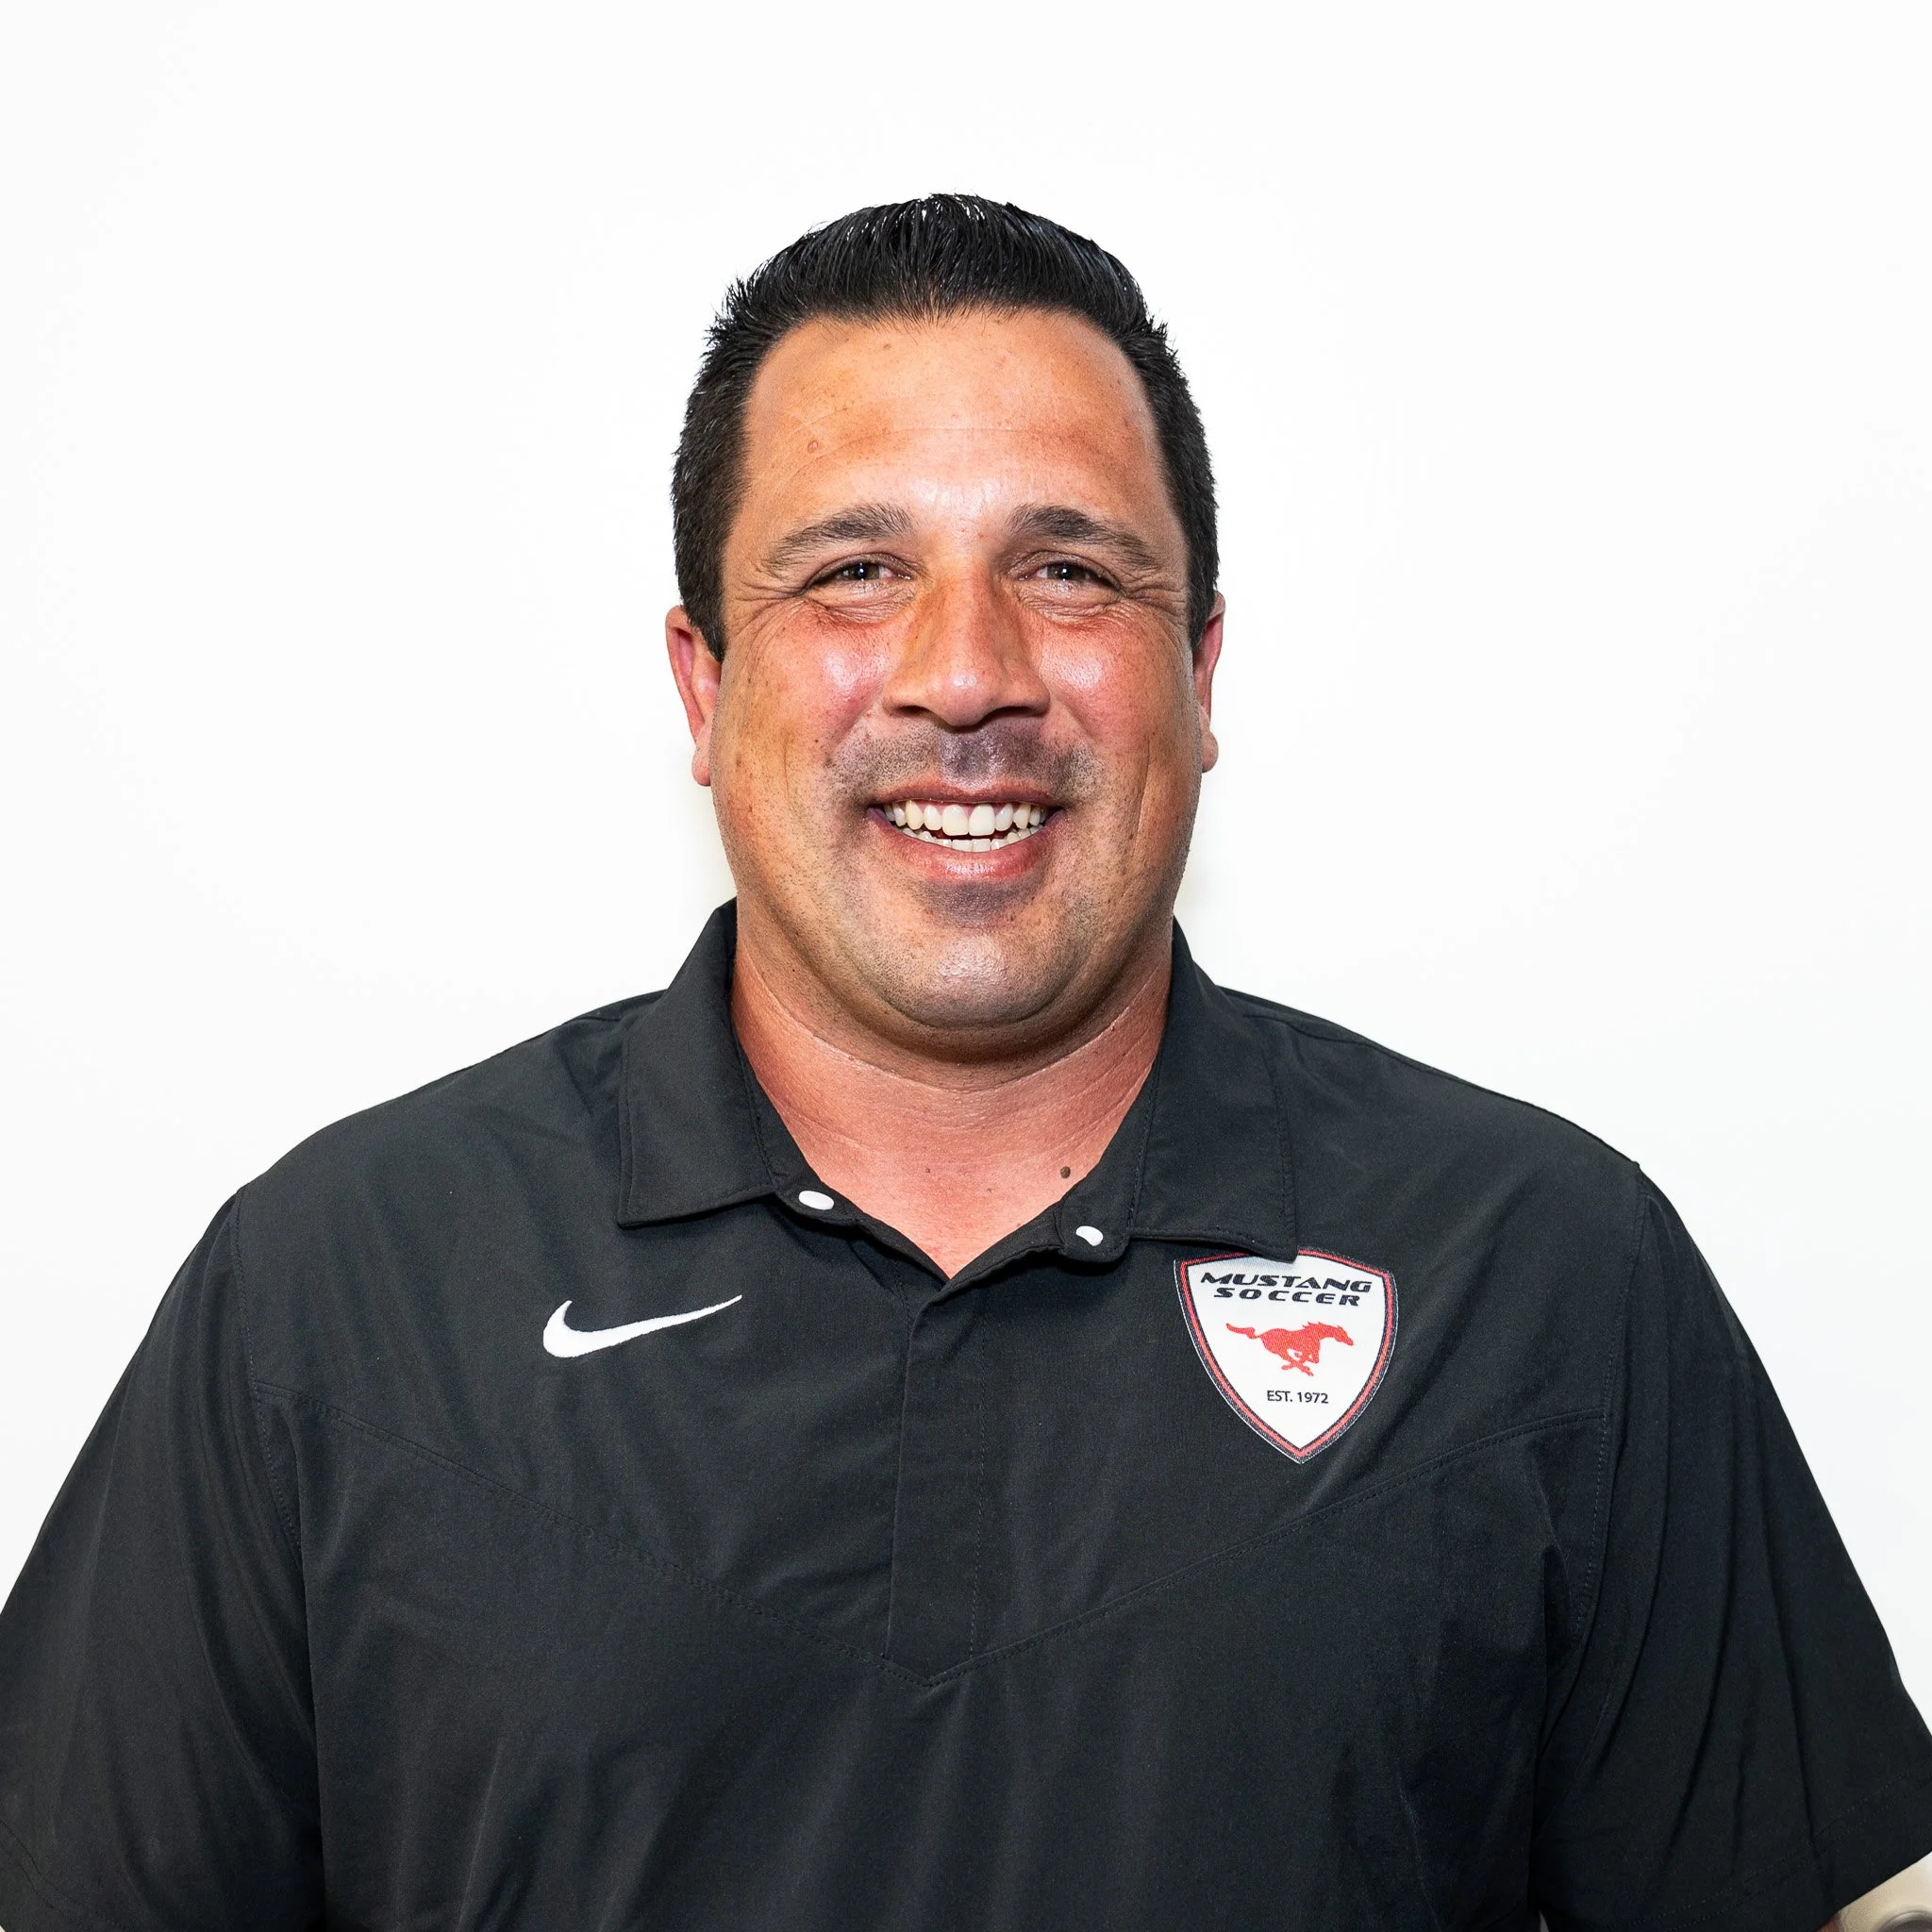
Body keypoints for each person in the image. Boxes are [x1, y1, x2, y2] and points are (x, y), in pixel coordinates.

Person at [0, 194, 1926, 1932]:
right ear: (704, 685)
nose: (966, 671)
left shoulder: (1545, 1276)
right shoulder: (340, 1294)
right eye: (853, 570)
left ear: (1199, 674)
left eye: (1070, 571)